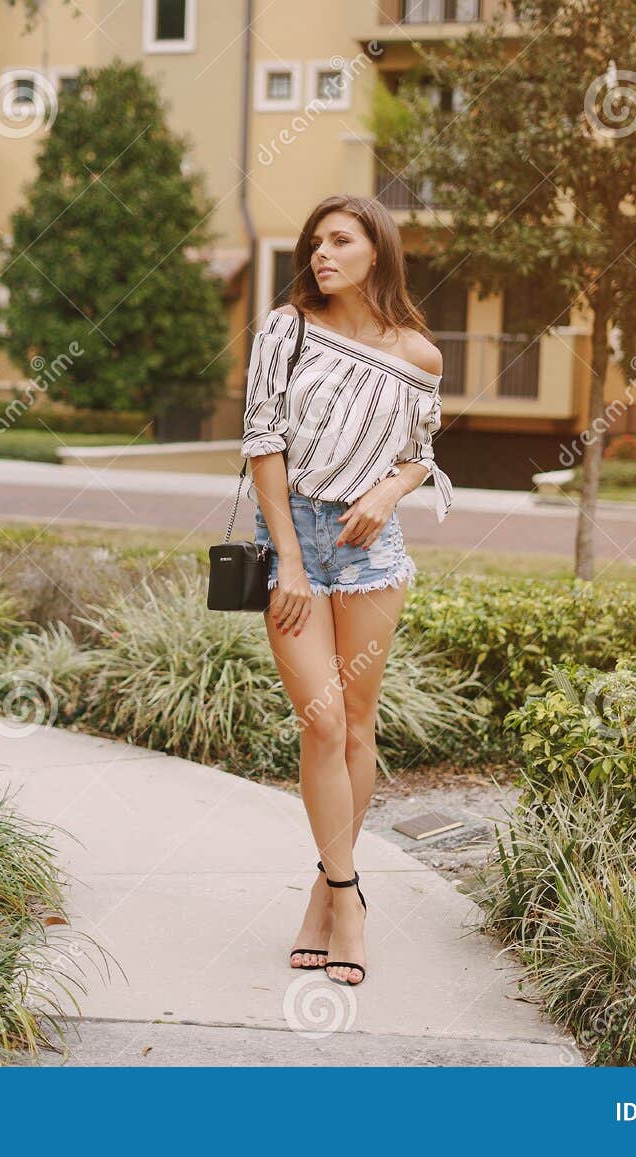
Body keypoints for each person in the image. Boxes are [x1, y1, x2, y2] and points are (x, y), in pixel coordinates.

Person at [241, 193, 455, 987]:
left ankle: (321, 896)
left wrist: (387, 492)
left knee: (359, 725)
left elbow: (421, 451)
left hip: (372, 551)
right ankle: (349, 894)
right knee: (321, 720)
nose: (321, 253)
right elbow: (262, 438)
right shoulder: (285, 326)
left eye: (340, 240)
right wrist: (288, 558)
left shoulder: (418, 354)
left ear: (377, 253)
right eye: (315, 241)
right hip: (290, 538)